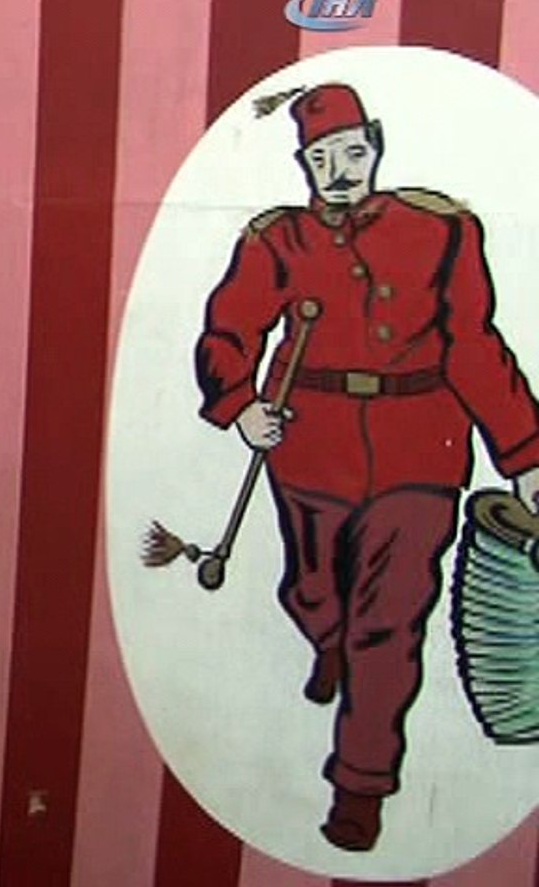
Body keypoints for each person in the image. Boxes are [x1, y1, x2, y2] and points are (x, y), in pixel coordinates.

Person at [194, 82, 539, 853]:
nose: (340, 170)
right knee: (310, 590)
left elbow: (475, 346)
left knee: (389, 624)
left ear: (374, 148)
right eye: (322, 159)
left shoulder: (443, 231)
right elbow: (228, 331)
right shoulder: (277, 241)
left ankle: (361, 785)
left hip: (421, 450)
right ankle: (328, 640)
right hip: (310, 448)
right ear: (304, 166)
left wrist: (526, 455)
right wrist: (241, 404)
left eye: (352, 152)